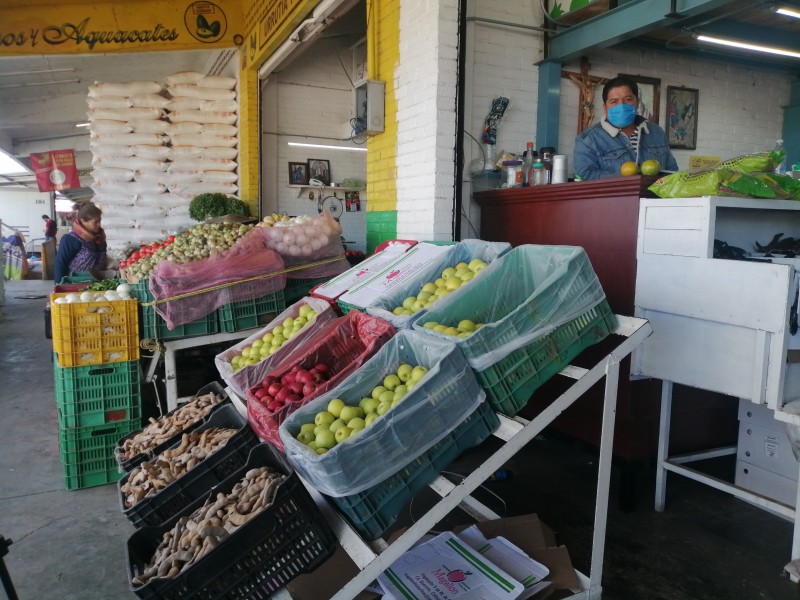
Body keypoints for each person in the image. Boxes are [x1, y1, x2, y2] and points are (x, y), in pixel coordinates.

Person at [574, 76, 679, 181]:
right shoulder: (588, 139)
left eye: (628, 99)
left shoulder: (656, 133)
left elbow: (672, 172)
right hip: (615, 197)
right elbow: (585, 176)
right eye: (614, 101)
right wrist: (628, 179)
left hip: (653, 197)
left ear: (637, 103)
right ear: (605, 107)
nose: (621, 105)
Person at [54, 201, 108, 284]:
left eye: (100, 221)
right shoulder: (71, 239)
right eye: (95, 222)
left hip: (97, 285)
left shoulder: (100, 238)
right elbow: (60, 264)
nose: (99, 225)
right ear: (83, 221)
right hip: (75, 285)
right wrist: (59, 286)